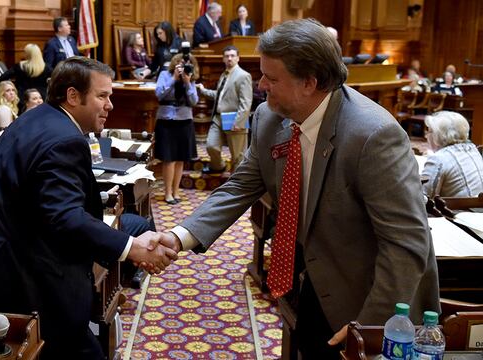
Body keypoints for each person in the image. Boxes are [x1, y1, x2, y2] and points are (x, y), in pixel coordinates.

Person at [156, 18, 440, 358]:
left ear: (309, 82)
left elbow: (406, 242)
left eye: (271, 78)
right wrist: (179, 236)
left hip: (365, 295)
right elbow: (239, 186)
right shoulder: (269, 118)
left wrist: (368, 329)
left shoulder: (373, 135)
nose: (261, 85)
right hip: (309, 280)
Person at [0, 57, 176, 359]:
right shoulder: (65, 140)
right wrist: (131, 247)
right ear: (73, 96)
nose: (110, 105)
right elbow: (64, 216)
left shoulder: (38, 117)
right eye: (102, 96)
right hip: (12, 274)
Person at [198, 45, 252, 172]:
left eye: (233, 56)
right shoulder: (224, 75)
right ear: (223, 59)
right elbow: (220, 96)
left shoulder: (243, 75)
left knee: (237, 157)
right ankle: (218, 167)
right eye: (227, 56)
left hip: (235, 119)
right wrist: (203, 90)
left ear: (238, 58)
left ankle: (236, 185)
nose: (229, 58)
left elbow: (246, 102)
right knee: (212, 146)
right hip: (218, 118)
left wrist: (239, 122)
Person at [154, 53, 199, 205]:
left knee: (180, 158)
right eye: (180, 62)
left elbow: (194, 101)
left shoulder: (190, 77)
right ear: (175, 63)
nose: (182, 66)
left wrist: (187, 83)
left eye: (185, 63)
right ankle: (167, 193)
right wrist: (173, 79)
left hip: (185, 120)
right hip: (167, 121)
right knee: (169, 159)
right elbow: (159, 94)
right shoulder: (165, 75)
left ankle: (176, 191)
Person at [422, 111, 483, 198]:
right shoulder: (473, 149)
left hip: (457, 210)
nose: (426, 136)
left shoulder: (438, 159)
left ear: (438, 135)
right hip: (477, 208)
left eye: (429, 131)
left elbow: (424, 197)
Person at [0, 43, 52, 109]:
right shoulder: (46, 68)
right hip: (41, 98)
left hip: (23, 99)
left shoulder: (20, 66)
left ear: (28, 54)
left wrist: (12, 86)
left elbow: (1, 78)